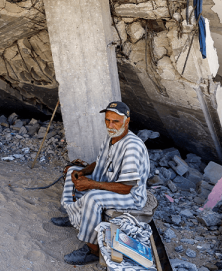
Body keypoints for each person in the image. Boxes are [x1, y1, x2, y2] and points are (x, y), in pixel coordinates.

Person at [51, 101, 150, 265]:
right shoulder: (112, 136)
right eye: (107, 120)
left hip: (131, 196)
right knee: (72, 172)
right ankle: (73, 216)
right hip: (111, 184)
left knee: (93, 198)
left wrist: (90, 184)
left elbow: (126, 188)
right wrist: (81, 172)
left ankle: (92, 250)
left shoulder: (132, 146)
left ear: (127, 121)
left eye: (115, 121)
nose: (110, 125)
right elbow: (99, 163)